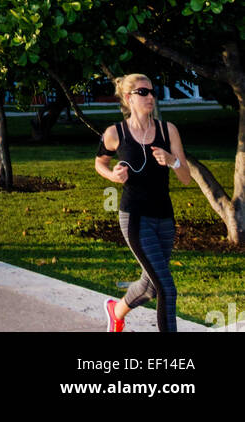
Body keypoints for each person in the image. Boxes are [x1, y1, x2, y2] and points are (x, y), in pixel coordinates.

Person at [95, 72, 190, 333]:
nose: (150, 97)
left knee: (150, 286)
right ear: (128, 98)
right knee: (166, 288)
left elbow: (186, 179)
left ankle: (116, 311)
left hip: (165, 218)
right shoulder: (115, 133)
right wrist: (112, 175)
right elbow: (100, 162)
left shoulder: (167, 130)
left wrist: (173, 161)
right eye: (143, 92)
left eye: (152, 91)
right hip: (135, 217)